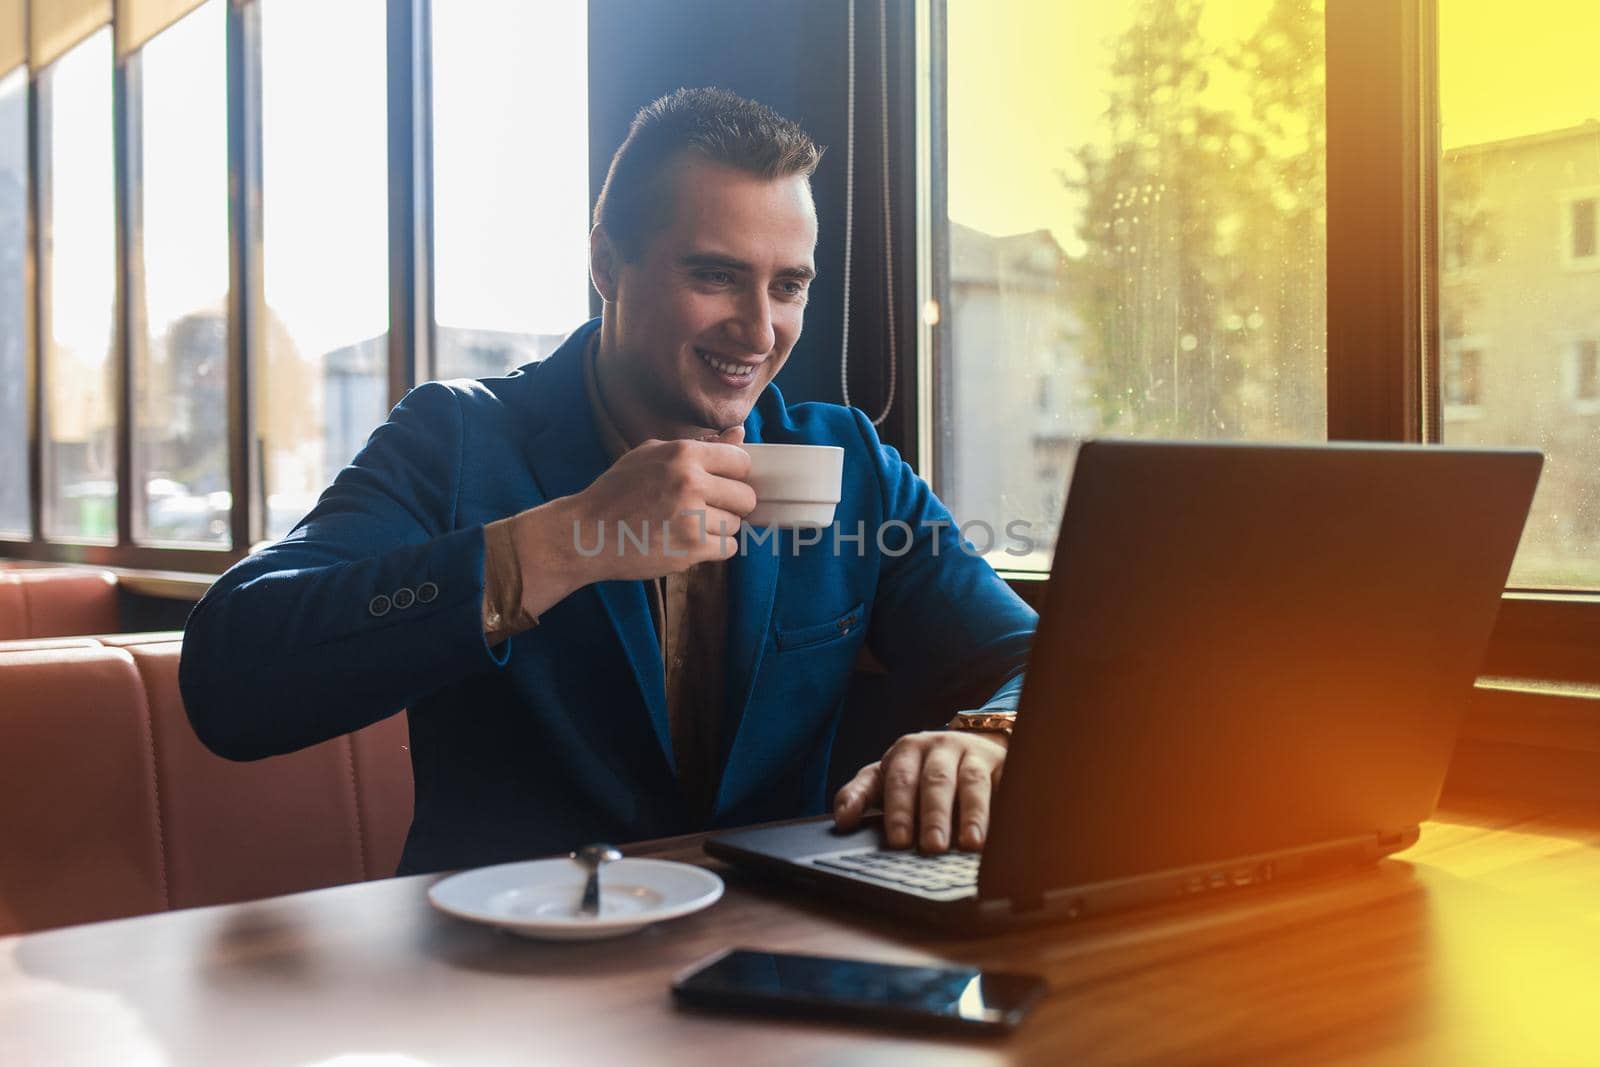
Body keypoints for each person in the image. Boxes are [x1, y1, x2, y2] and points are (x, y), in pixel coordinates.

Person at [179, 87, 1036, 876]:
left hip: (773, 957)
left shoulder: (848, 462)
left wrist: (992, 737)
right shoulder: (458, 438)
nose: (760, 327)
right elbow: (233, 675)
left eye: (789, 285)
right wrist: (566, 539)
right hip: (500, 979)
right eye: (716, 275)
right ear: (607, 266)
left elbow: (1031, 657)